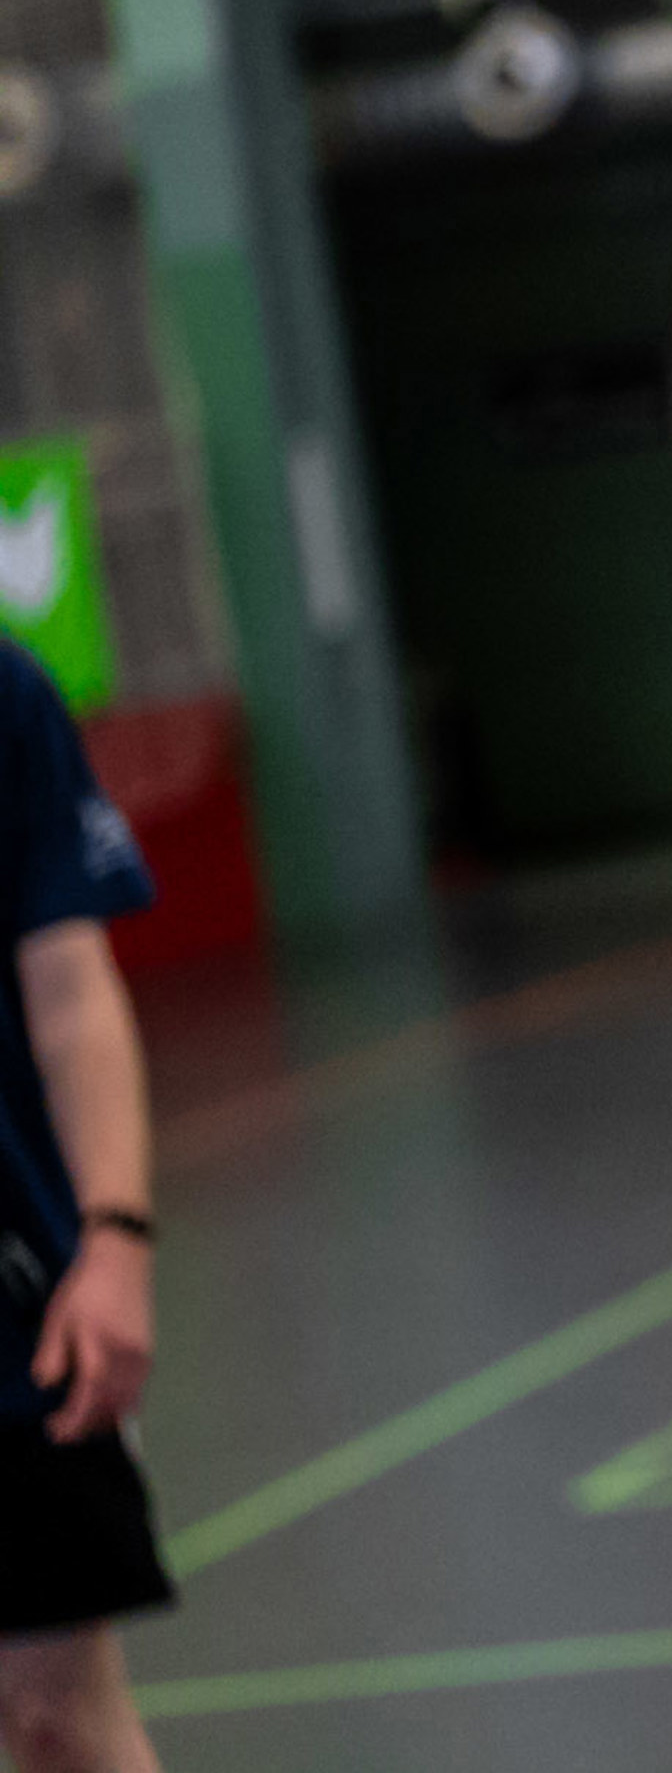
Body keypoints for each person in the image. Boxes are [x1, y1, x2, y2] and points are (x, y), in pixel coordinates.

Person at [0, 639, 170, 1773]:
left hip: (13, 1295)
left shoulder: (4, 694)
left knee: (58, 1720)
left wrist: (114, 1236)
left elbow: (70, 984)